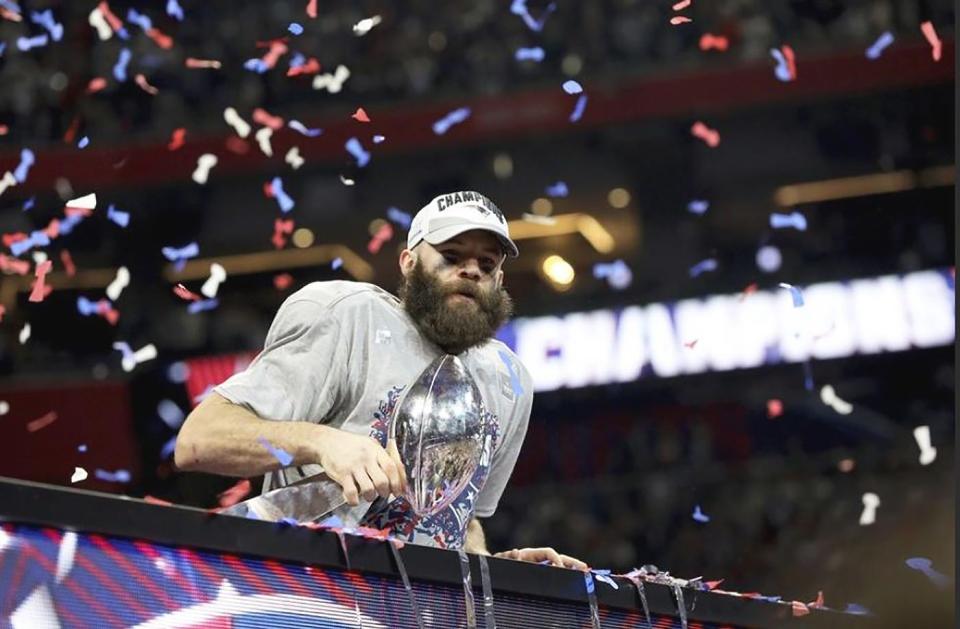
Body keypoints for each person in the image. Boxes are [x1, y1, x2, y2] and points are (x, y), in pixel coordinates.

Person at [175, 190, 586, 569]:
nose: (470, 271)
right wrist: (322, 442)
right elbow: (199, 440)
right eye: (451, 255)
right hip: (309, 598)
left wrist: (496, 567)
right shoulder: (346, 316)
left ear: (499, 281)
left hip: (414, 611)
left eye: (487, 264)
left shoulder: (508, 380)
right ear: (408, 262)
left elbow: (460, 520)